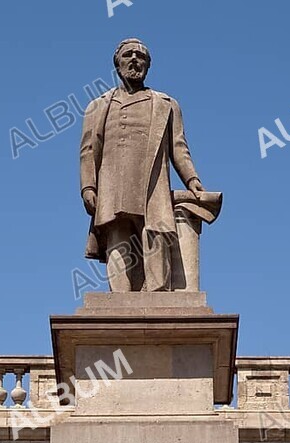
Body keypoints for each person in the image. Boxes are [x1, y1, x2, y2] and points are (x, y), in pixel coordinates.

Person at [80, 39, 204, 292]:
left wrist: (192, 180)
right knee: (116, 235)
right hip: (112, 182)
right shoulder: (98, 106)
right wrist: (88, 186)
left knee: (156, 233)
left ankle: (157, 292)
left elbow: (179, 148)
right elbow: (88, 150)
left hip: (152, 181)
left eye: (141, 56)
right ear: (117, 63)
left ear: (148, 65)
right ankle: (120, 295)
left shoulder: (166, 104)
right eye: (128, 55)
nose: (134, 59)